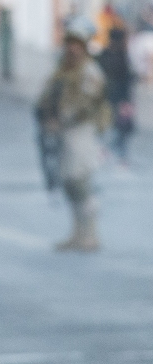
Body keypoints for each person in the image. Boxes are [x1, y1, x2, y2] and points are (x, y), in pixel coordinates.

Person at [37, 17, 109, 252]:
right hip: (62, 133)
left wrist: (63, 120)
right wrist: (46, 116)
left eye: (77, 43)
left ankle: (91, 234)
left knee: (81, 182)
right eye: (69, 43)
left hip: (81, 131)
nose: (72, 48)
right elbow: (48, 95)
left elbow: (86, 104)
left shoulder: (90, 71)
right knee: (68, 182)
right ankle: (77, 233)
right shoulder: (62, 70)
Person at [97, 27, 135, 163]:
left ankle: (113, 153)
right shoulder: (120, 55)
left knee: (117, 128)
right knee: (117, 128)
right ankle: (117, 154)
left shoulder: (105, 54)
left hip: (112, 97)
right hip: (113, 97)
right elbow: (128, 79)